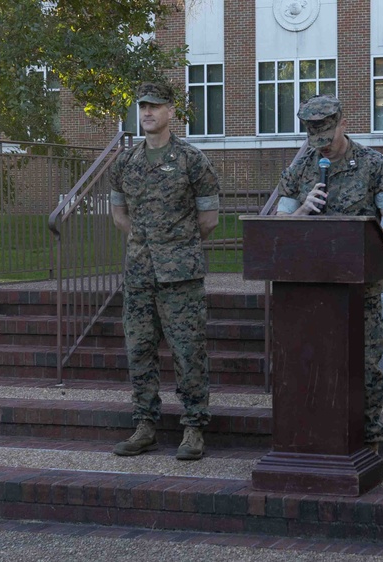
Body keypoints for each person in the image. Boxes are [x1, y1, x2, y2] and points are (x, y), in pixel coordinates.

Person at [275, 94, 383, 454]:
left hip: (359, 289)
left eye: (328, 139)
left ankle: (369, 440)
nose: (323, 148)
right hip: (308, 290)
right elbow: (278, 226)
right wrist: (303, 209)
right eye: (314, 140)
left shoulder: (374, 165)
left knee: (364, 366)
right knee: (309, 364)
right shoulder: (300, 168)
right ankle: (315, 438)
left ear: (343, 125)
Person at [109, 82, 221, 461]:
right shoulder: (125, 162)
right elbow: (118, 212)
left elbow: (209, 218)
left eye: (155, 106)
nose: (147, 113)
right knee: (138, 350)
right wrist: (144, 238)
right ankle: (145, 425)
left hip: (181, 275)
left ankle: (193, 427)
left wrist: (174, 243)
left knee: (188, 351)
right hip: (139, 273)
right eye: (143, 106)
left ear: (171, 111)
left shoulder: (192, 160)